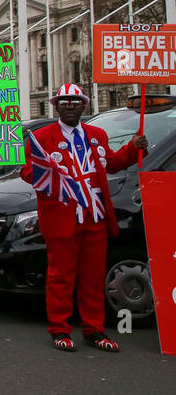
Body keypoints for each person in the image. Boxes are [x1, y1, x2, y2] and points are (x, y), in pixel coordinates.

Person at [21, 83, 146, 353]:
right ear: (56, 105)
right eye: (64, 102)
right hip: (62, 216)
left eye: (75, 102)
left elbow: (111, 163)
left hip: (94, 215)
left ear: (84, 105)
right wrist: (50, 175)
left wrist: (133, 148)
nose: (70, 106)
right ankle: (59, 330)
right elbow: (28, 171)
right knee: (61, 277)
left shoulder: (97, 135)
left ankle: (94, 329)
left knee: (93, 276)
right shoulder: (42, 137)